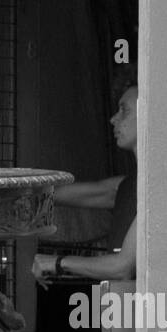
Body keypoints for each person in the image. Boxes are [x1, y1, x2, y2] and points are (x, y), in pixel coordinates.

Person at [31, 84, 138, 284]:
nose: (113, 118)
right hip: (122, 307)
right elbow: (96, 193)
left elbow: (121, 268)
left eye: (125, 110)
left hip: (155, 309)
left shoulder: (158, 188)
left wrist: (56, 262)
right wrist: (20, 194)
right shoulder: (126, 186)